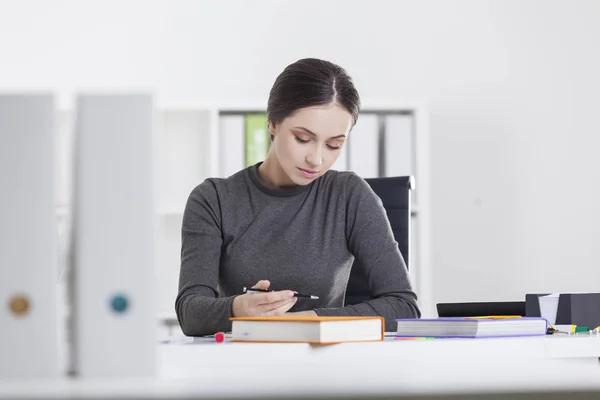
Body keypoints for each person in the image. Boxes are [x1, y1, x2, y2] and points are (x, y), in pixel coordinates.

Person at [175, 58, 420, 336]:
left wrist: (307, 320)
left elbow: (403, 307)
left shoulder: (350, 196)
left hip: (326, 365)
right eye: (303, 138)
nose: (316, 159)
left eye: (333, 145)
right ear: (273, 123)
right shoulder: (213, 200)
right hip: (240, 364)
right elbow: (190, 312)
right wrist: (238, 308)